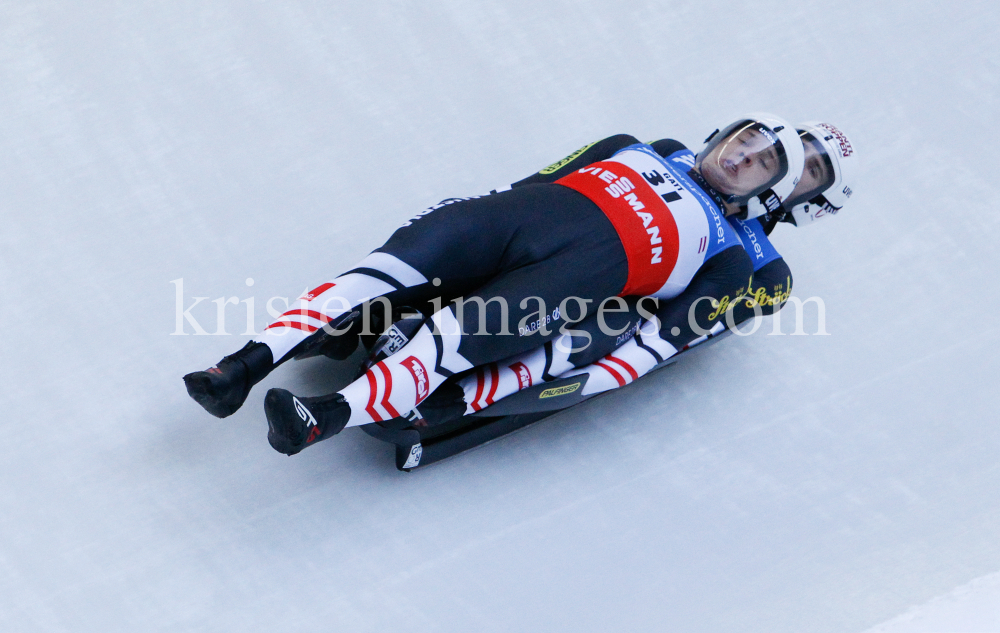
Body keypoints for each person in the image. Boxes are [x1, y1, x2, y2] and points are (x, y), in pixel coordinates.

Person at [183, 114, 805, 455]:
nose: (745, 155)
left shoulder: (731, 259)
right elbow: (533, 182)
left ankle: (323, 417)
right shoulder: (634, 145)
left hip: (566, 286)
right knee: (384, 269)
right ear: (722, 131)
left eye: (763, 162)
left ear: (768, 191)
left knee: (456, 336)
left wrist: (564, 378)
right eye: (746, 139)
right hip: (510, 224)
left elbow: (656, 346)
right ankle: (238, 368)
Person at [427, 121, 856, 410]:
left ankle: (486, 386)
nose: (793, 166)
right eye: (789, 151)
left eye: (811, 170)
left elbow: (695, 327)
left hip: (632, 300)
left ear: (815, 202)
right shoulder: (672, 155)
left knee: (622, 314)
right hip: (577, 244)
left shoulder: (771, 274)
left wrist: (633, 359)